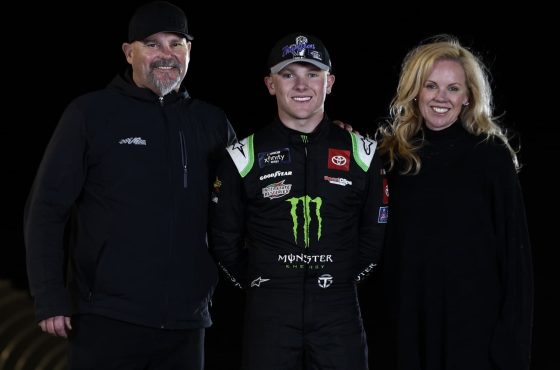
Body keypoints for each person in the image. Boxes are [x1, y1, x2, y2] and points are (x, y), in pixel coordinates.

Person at [23, 2, 236, 369]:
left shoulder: (211, 122)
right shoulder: (90, 114)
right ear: (128, 52)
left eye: (176, 43)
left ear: (189, 51)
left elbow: (252, 194)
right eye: (152, 44)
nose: (165, 55)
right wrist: (49, 297)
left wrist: (324, 136)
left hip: (185, 322)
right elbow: (45, 209)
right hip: (105, 317)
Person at [209, 32, 387, 370]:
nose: (301, 85)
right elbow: (223, 239)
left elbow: (374, 234)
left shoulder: (362, 152)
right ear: (270, 84)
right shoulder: (242, 155)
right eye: (289, 74)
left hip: (338, 311)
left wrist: (342, 278)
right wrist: (263, 282)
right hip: (270, 314)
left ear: (329, 82)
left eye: (313, 74)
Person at [376, 34, 533, 370]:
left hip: (474, 334)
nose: (440, 97)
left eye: (453, 88)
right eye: (431, 86)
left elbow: (516, 260)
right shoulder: (390, 157)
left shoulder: (491, 157)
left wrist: (510, 346)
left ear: (467, 97)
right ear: (415, 91)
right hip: (405, 331)